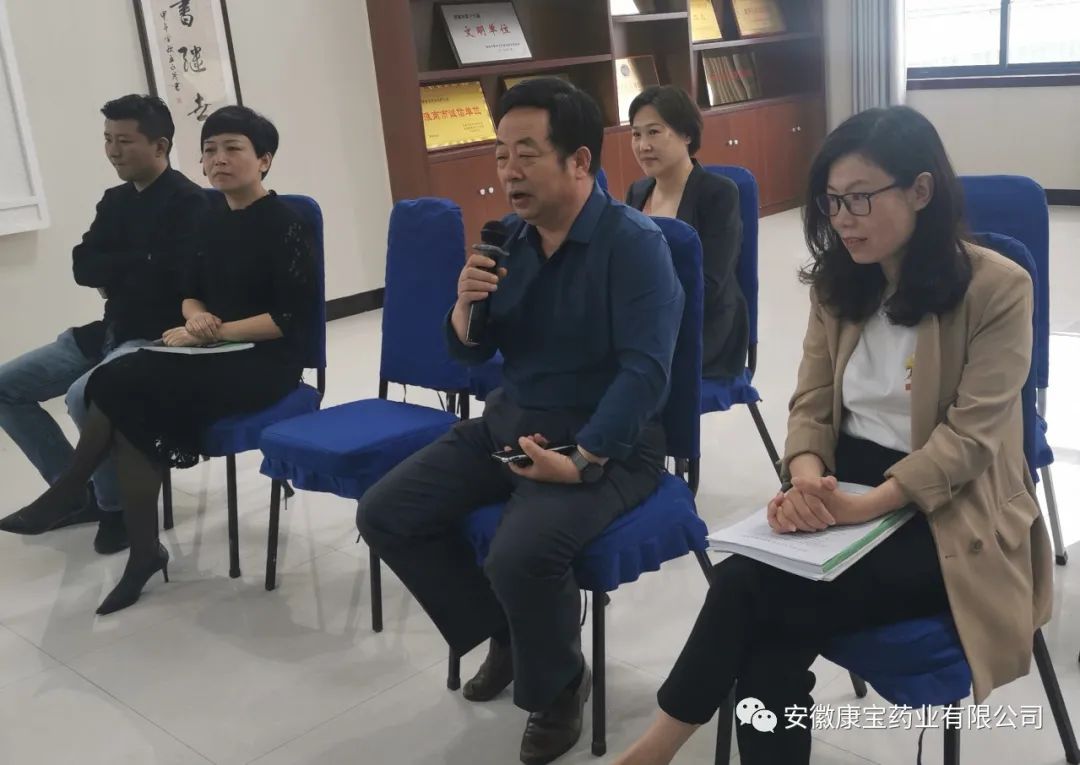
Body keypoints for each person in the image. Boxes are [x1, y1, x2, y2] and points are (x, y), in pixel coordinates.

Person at [613, 105, 1052, 765]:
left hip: (950, 509)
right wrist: (807, 478)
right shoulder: (839, 283)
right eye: (832, 201)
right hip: (845, 483)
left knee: (748, 590)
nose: (842, 218)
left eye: (860, 198)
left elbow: (970, 440)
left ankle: (653, 750)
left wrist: (867, 504)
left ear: (921, 191)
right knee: (767, 638)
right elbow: (811, 403)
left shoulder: (998, 288)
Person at [357, 78, 684, 765]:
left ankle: (559, 686)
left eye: (526, 154)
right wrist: (463, 307)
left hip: (609, 445)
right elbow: (474, 351)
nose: (508, 171)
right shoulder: (508, 241)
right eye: (501, 155)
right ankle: (506, 632)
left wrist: (586, 458)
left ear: (580, 161)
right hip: (508, 426)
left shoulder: (634, 244)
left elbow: (645, 373)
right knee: (385, 511)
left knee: (520, 553)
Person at [8, 105, 317, 616]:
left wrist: (212, 330)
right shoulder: (211, 219)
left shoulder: (286, 222)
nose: (219, 159)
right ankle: (142, 548)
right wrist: (197, 317)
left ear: (264, 160)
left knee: (126, 387)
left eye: (233, 149)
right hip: (213, 348)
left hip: (265, 360)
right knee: (118, 382)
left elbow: (291, 318)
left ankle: (72, 496)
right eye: (210, 150)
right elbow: (189, 293)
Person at [0, 94, 208, 553]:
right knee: (6, 386)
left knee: (87, 395)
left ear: (160, 145)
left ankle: (118, 511)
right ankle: (76, 493)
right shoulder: (115, 200)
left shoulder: (190, 203)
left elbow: (171, 279)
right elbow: (83, 265)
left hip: (158, 337)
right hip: (110, 329)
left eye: (124, 141)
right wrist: (137, 262)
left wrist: (117, 268)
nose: (113, 151)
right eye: (108, 139)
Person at [624, 85, 747, 380]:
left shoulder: (718, 194)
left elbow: (711, 283)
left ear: (687, 134)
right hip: (647, 320)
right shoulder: (637, 192)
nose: (643, 145)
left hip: (702, 325)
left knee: (631, 373)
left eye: (654, 132)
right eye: (636, 135)